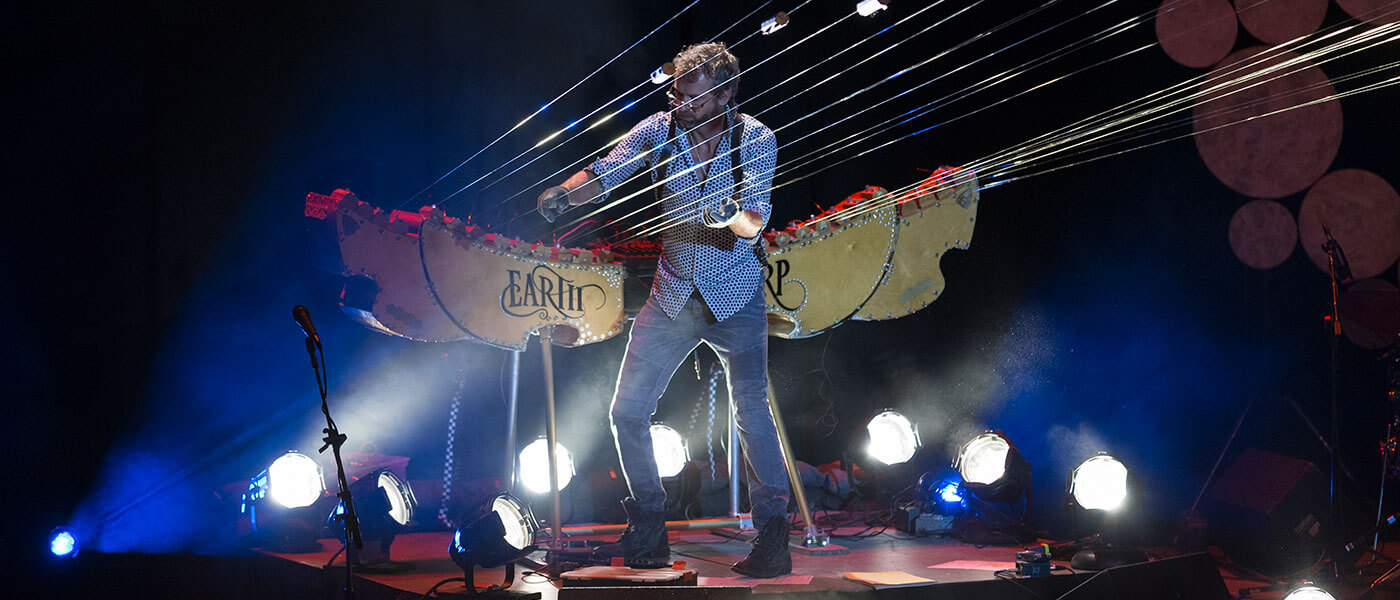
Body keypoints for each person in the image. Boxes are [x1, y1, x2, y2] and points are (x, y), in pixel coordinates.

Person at [537, 42, 790, 578]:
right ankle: (650, 525)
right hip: (673, 292)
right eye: (677, 93)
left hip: (736, 295)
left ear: (725, 94)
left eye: (693, 98)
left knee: (751, 411)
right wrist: (565, 193)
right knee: (626, 411)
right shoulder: (660, 128)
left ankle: (773, 535)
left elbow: (754, 221)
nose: (681, 104)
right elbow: (605, 171)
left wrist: (730, 214)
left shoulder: (756, 138)